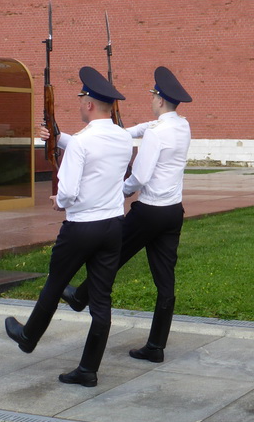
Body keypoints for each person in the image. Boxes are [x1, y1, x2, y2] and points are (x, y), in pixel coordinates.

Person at [5, 66, 132, 388]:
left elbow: (70, 189)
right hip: (113, 225)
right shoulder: (122, 136)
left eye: (81, 100)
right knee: (101, 300)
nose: (80, 105)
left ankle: (28, 336)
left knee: (55, 283)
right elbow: (89, 151)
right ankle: (88, 369)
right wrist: (58, 137)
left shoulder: (82, 142)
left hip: (81, 227)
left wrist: (58, 201)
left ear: (89, 104)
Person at [56, 66, 193, 365]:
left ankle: (81, 297)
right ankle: (156, 345)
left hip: (149, 211)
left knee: (112, 257)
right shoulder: (182, 126)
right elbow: (131, 132)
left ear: (159, 99)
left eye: (153, 96)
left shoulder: (157, 133)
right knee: (165, 281)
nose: (151, 100)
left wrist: (121, 190)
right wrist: (106, 133)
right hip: (173, 211)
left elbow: (140, 176)